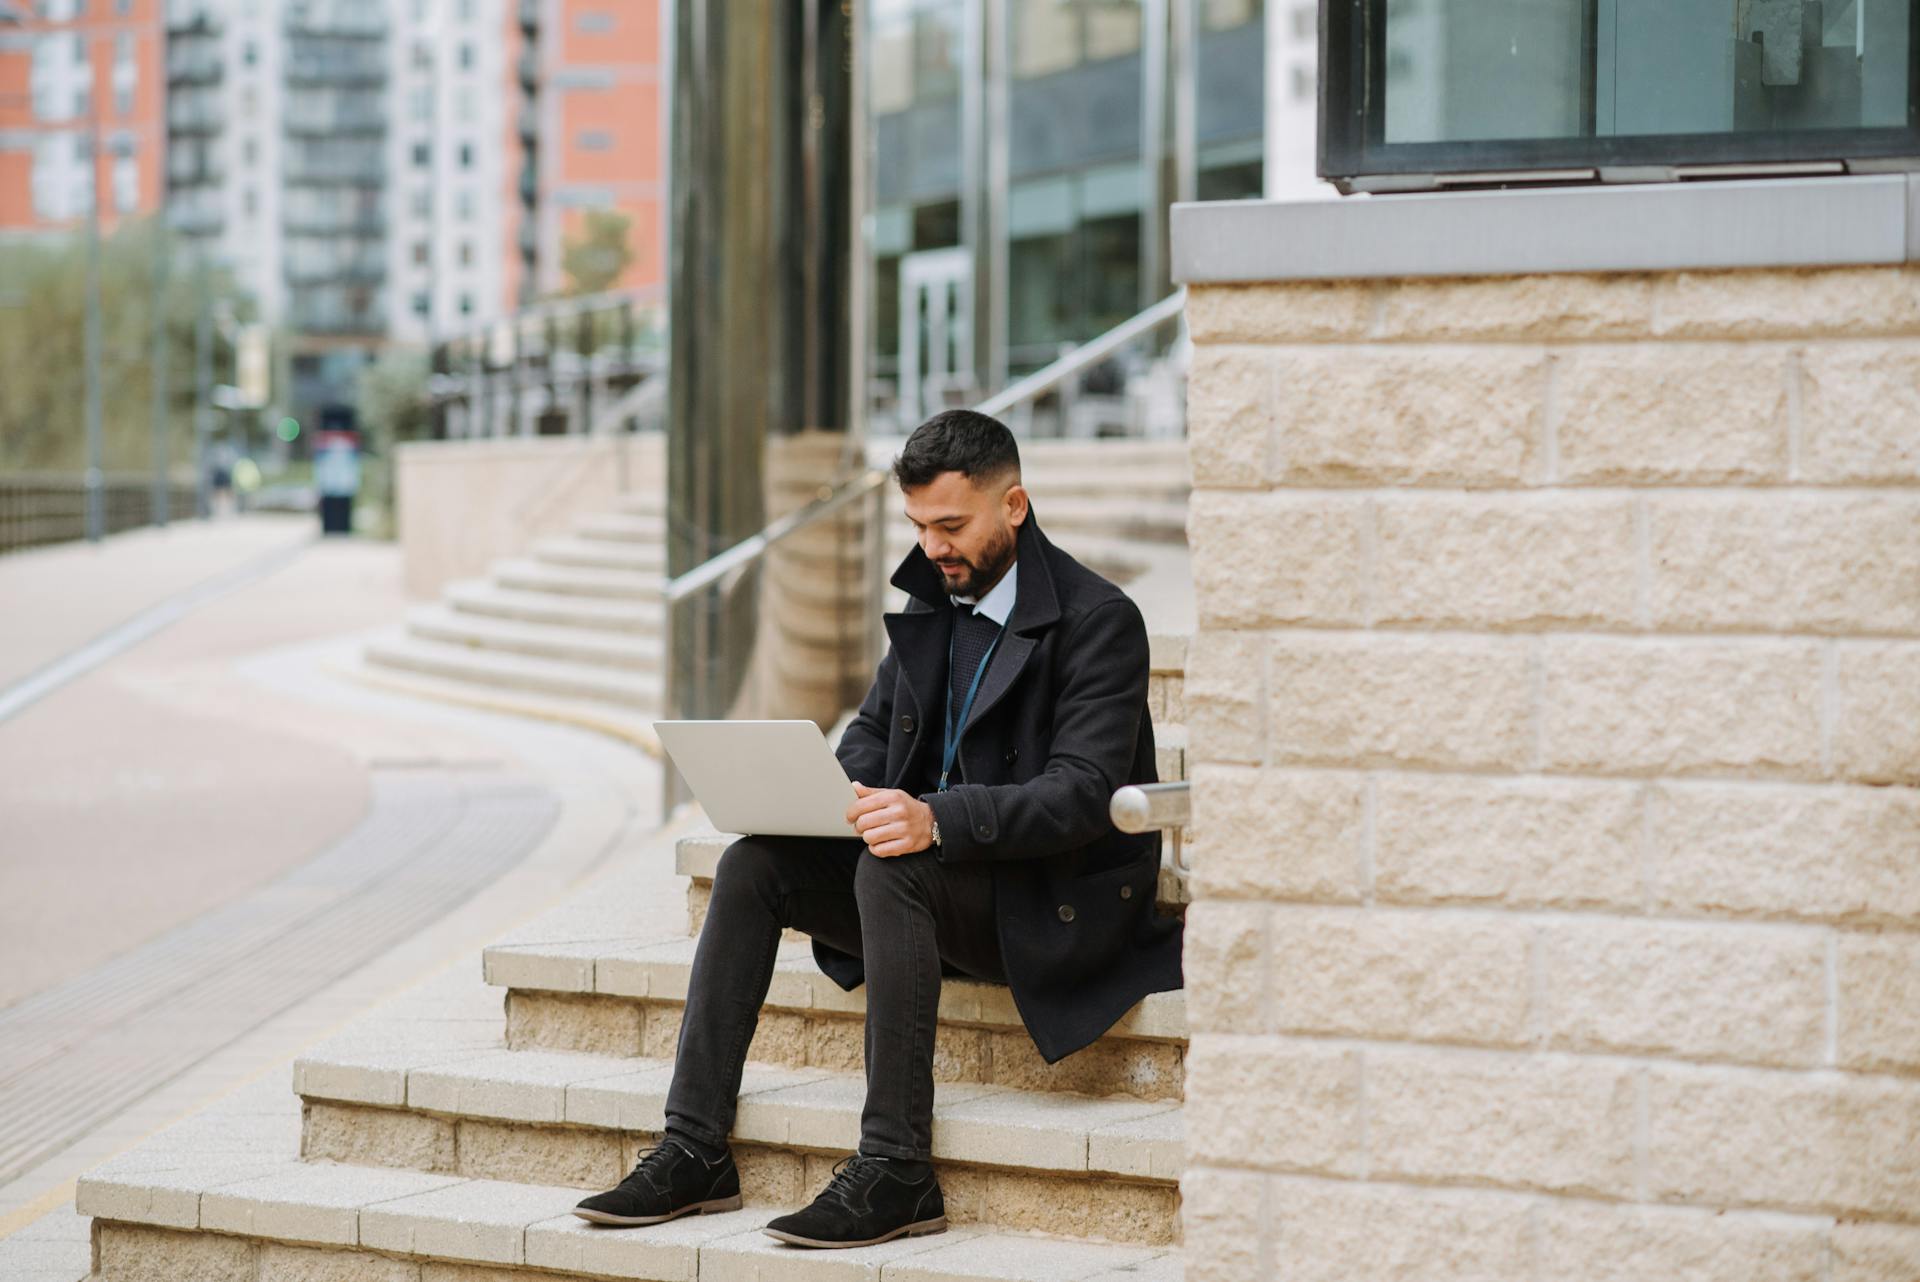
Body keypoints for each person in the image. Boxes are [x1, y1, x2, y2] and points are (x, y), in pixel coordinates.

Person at [573, 409, 1184, 1248]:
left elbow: (1082, 795)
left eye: (950, 525)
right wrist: (831, 793)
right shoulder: (939, 598)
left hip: (1051, 903)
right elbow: (871, 732)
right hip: (947, 886)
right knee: (756, 866)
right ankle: (693, 1148)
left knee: (893, 868)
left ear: (1015, 505)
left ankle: (898, 1169)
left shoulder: (1098, 619)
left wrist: (936, 818)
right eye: (918, 526)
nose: (933, 547)